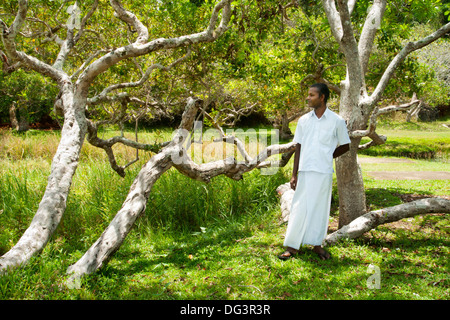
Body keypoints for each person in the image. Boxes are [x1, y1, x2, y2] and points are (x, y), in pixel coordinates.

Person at [279, 83, 350, 261]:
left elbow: (345, 145)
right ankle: (291, 247)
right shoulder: (304, 121)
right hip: (304, 170)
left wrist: (327, 156)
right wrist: (294, 174)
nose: (308, 98)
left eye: (312, 95)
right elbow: (298, 146)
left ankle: (317, 246)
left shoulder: (336, 121)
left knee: (320, 208)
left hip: (323, 172)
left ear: (322, 97)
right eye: (308, 95)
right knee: (298, 207)